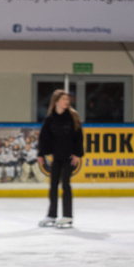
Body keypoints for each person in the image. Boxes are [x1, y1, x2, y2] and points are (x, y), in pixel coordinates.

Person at [38, 90, 83, 228]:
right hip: (57, 157)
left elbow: (78, 137)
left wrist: (76, 154)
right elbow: (44, 138)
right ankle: (52, 215)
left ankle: (68, 216)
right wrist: (41, 154)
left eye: (67, 99)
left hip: (69, 157)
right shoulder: (50, 119)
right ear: (56, 101)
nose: (67, 101)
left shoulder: (73, 117)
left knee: (66, 185)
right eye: (64, 99)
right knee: (53, 186)